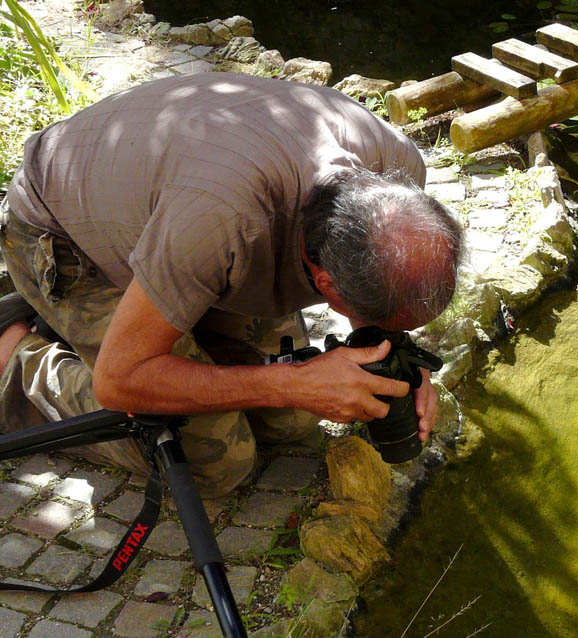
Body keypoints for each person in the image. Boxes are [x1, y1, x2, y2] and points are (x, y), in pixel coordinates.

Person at [0, 73, 463, 497]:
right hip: (65, 235)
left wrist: (401, 360)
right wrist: (291, 384)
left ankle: (175, 323)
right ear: (327, 284)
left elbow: (392, 288)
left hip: (177, 225)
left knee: (291, 422)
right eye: (379, 320)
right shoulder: (222, 220)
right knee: (217, 462)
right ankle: (17, 359)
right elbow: (122, 380)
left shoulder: (398, 176)